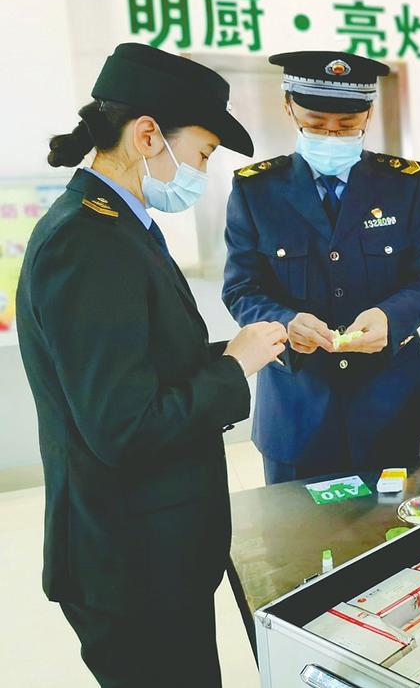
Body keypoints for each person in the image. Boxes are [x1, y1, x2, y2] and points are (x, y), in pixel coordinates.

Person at [16, 43, 288, 687]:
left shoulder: (120, 226)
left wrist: (241, 349)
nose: (202, 171)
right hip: (129, 563)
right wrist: (233, 370)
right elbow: (124, 425)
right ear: (147, 136)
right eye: (203, 153)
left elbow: (141, 365)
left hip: (155, 550)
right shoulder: (88, 242)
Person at [223, 51, 420, 485]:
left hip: (390, 402)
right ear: (288, 107)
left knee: (395, 521)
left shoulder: (404, 183)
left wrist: (390, 318)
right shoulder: (257, 190)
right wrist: (286, 324)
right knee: (297, 527)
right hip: (298, 407)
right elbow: (241, 288)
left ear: (369, 114)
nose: (331, 135)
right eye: (315, 123)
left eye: (346, 126)